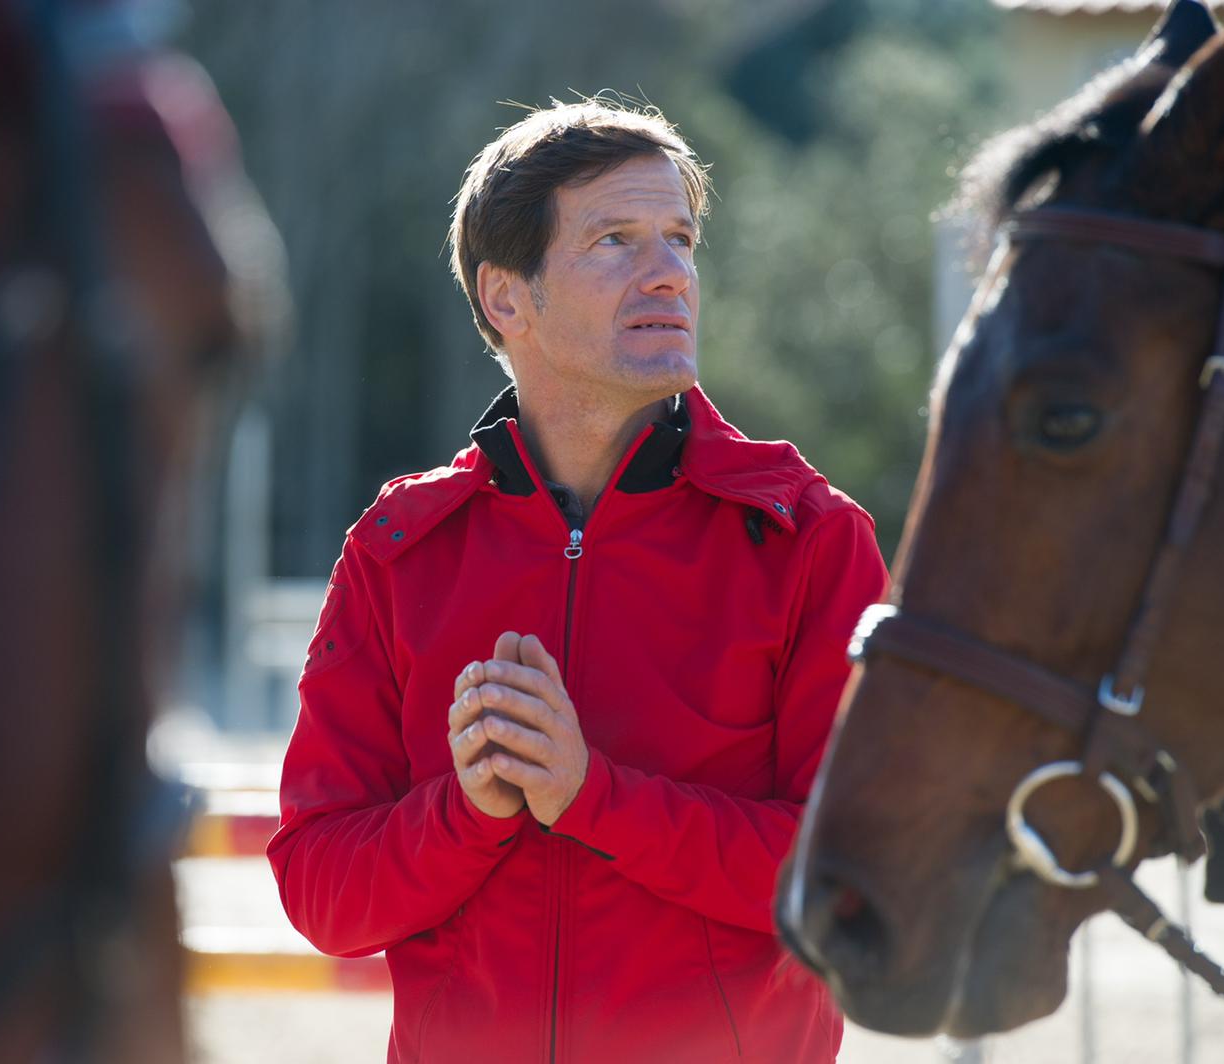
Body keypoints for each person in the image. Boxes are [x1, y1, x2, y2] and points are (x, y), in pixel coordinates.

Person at [267, 97, 889, 1063]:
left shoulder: (811, 539)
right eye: (614, 240)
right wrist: (465, 815)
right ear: (505, 298)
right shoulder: (397, 551)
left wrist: (593, 797)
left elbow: (852, 880)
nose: (670, 273)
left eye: (680, 239)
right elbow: (319, 892)